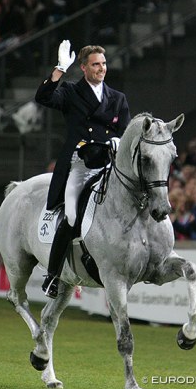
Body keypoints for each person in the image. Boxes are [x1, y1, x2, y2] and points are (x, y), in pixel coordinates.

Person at [35, 40, 131, 298]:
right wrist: (58, 70)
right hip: (81, 164)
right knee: (72, 217)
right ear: (83, 68)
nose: (101, 69)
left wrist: (120, 140)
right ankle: (53, 275)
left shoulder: (118, 98)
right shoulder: (70, 92)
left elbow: (127, 132)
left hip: (109, 164)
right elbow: (43, 97)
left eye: (104, 64)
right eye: (96, 64)